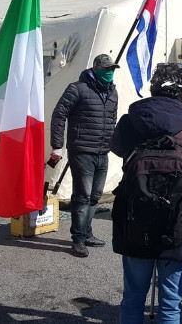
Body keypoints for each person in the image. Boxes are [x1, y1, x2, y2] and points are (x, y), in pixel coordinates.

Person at [110, 63, 182, 324]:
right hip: (180, 224)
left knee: (132, 298)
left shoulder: (130, 121)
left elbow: (117, 148)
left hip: (136, 220)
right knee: (171, 305)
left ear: (153, 89)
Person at [50, 54, 119, 258]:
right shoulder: (77, 89)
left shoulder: (113, 92)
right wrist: (57, 146)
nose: (109, 72)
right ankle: (78, 239)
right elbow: (59, 114)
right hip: (81, 151)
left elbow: (112, 120)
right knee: (82, 196)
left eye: (112, 69)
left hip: (103, 151)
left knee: (96, 196)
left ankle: (87, 233)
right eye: (106, 69)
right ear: (95, 68)